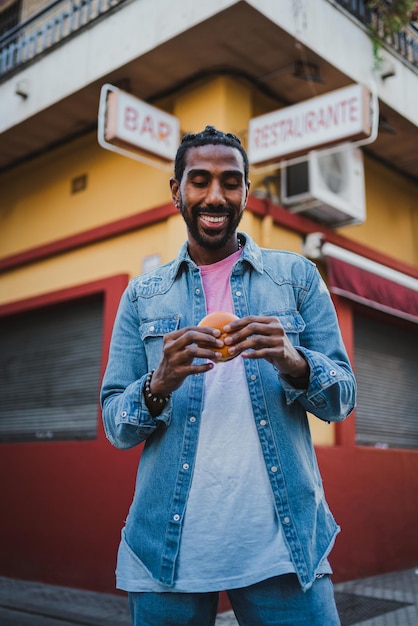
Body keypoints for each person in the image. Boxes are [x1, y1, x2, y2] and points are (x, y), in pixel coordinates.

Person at [100, 125, 356, 626]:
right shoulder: (142, 295)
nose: (215, 196)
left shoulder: (297, 277)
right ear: (176, 192)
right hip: (163, 553)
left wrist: (294, 361)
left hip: (284, 551)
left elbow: (342, 398)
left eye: (230, 181)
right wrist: (159, 384)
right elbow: (116, 424)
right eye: (199, 180)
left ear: (246, 191)